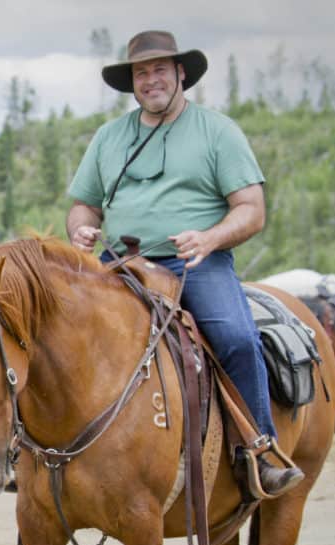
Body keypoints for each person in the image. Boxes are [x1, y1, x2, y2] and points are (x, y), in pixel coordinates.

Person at [66, 29, 303, 498]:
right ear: (131, 83)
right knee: (60, 333)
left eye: (159, 69)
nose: (150, 79)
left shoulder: (218, 131)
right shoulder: (109, 137)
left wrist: (211, 237)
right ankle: (42, 451)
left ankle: (259, 450)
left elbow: (252, 209)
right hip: (120, 264)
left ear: (180, 75)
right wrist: (81, 229)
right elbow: (83, 205)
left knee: (236, 338)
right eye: (141, 72)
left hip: (194, 264)